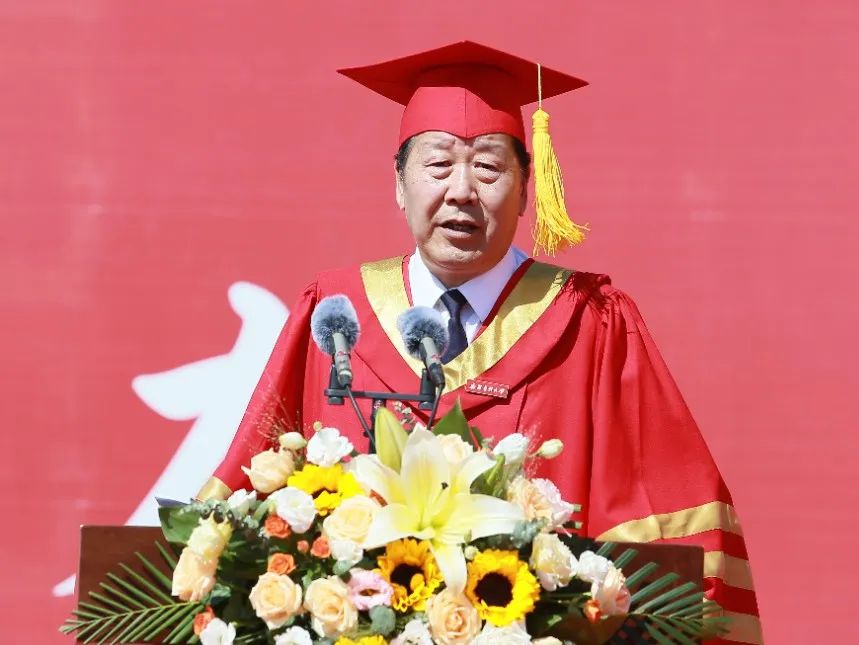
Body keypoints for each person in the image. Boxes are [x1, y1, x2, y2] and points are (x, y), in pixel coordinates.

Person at [197, 41, 761, 644]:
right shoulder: (335, 317)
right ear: (398, 183)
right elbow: (243, 507)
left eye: (488, 168)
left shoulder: (591, 323)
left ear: (526, 188)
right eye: (438, 166)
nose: (462, 191)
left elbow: (670, 533)